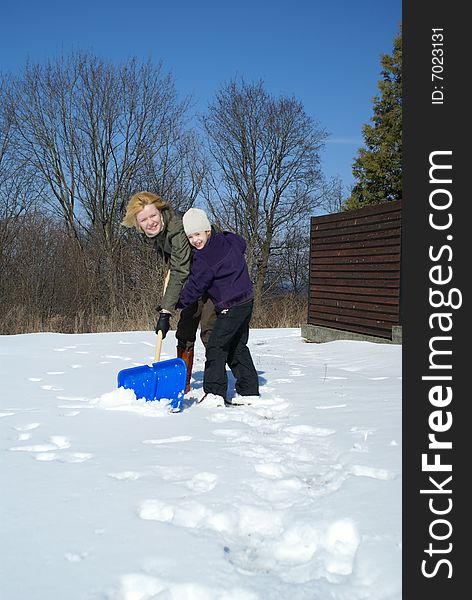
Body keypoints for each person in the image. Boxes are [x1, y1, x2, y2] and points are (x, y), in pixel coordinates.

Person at [121, 192, 217, 393]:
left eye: (152, 216)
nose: (150, 222)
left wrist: (166, 310)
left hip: (215, 279)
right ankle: (184, 384)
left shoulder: (177, 228)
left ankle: (216, 387)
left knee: (210, 332)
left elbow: (180, 270)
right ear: (138, 223)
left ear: (161, 211)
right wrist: (169, 302)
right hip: (195, 281)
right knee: (184, 332)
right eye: (143, 219)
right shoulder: (157, 235)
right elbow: (176, 266)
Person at [177, 207, 259, 406]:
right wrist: (225, 234)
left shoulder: (204, 257)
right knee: (237, 346)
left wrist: (179, 302)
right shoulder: (227, 241)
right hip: (247, 300)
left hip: (231, 306)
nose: (195, 240)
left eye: (198, 234)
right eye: (190, 236)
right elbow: (242, 243)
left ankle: (214, 393)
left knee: (215, 346)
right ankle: (249, 389)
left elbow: (197, 285)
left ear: (207, 231)